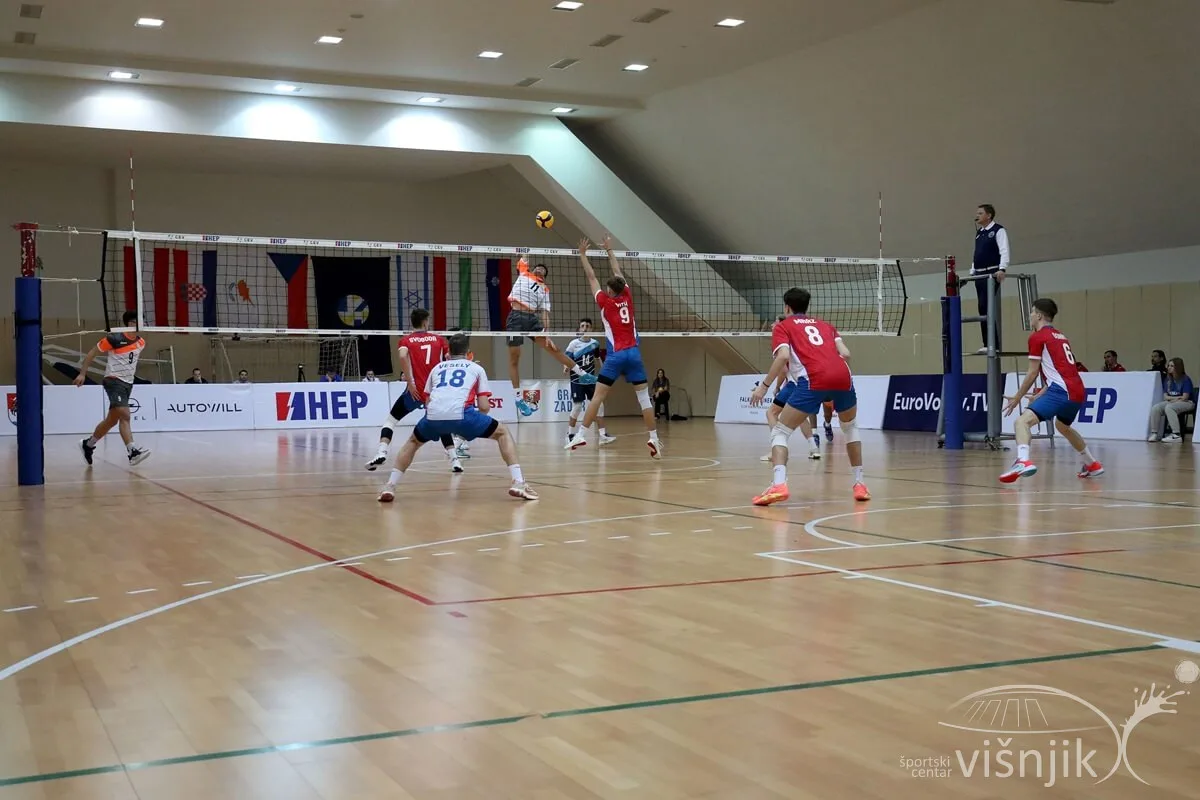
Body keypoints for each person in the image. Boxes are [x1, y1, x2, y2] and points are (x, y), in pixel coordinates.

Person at [377, 333, 537, 502]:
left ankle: (390, 485)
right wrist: (473, 425)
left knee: (413, 442)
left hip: (433, 416)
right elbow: (484, 407)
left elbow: (428, 401)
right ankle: (518, 482)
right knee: (502, 432)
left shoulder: (437, 368)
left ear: (448, 353)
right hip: (463, 414)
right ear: (469, 352)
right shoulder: (476, 369)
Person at [750, 288, 869, 504]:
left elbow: (783, 356)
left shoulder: (783, 326)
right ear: (807, 306)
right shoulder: (826, 326)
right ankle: (860, 484)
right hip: (843, 376)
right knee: (851, 428)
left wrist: (763, 387)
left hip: (813, 378)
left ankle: (779, 484)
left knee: (780, 432)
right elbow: (846, 354)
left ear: (787, 307)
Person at [565, 236, 663, 458]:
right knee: (644, 399)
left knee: (598, 397)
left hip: (616, 355)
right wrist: (610, 250)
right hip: (634, 354)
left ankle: (580, 435)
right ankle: (654, 439)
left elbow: (591, 277)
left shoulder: (605, 302)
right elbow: (617, 271)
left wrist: (582, 254)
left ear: (610, 291)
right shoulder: (627, 295)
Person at [1000, 298, 1103, 482]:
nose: (1030, 316)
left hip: (1061, 391)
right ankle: (1092, 464)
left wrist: (1017, 398)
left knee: (1022, 422)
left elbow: (1032, 372)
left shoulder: (1037, 337)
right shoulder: (1060, 336)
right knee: (1062, 426)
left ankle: (1022, 461)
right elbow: (1060, 372)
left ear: (1039, 316)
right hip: (1077, 390)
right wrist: (1040, 395)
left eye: (1032, 312)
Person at [366, 309, 462, 473]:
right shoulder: (438, 340)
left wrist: (410, 381)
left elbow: (403, 356)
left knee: (391, 421)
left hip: (414, 391)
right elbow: (450, 358)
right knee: (440, 424)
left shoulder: (406, 340)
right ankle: (455, 461)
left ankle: (381, 452)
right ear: (425, 322)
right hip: (433, 392)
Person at [506, 257, 596, 417]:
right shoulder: (524, 273)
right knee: (515, 358)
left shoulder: (544, 290)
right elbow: (523, 257)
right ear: (533, 270)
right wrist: (526, 253)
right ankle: (518, 399)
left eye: (543, 269)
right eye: (537, 267)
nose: (539, 269)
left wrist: (546, 333)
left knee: (554, 349)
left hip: (532, 319)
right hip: (515, 317)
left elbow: (545, 313)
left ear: (544, 276)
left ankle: (583, 374)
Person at [76, 311, 151, 466]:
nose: (142, 324)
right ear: (130, 323)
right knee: (125, 415)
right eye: (138, 321)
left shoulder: (142, 342)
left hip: (128, 383)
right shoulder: (114, 338)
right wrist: (82, 374)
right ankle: (132, 452)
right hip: (113, 380)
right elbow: (92, 353)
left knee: (111, 420)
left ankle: (88, 444)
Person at [760, 316, 820, 463]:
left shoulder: (782, 341)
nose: (772, 324)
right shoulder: (797, 338)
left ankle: (776, 448)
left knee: (771, 413)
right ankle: (814, 448)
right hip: (807, 382)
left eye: (775, 322)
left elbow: (783, 368)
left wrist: (776, 386)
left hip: (795, 384)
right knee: (800, 417)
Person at [564, 318, 616, 446]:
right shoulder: (573, 344)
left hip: (590, 380)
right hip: (577, 380)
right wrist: (565, 367)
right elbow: (566, 359)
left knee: (599, 406)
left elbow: (598, 358)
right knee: (577, 407)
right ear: (579, 329)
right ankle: (570, 434)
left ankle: (603, 435)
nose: (585, 328)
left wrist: (604, 370)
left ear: (591, 328)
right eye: (582, 326)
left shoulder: (595, 343)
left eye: (587, 326)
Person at [971, 204, 1010, 353]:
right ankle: (987, 342)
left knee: (987, 306)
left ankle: (994, 344)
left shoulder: (998, 230)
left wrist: (1002, 268)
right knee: (982, 307)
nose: (977, 215)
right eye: (977, 213)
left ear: (989, 215)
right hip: (979, 274)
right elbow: (977, 253)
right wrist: (973, 270)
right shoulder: (979, 233)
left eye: (980, 213)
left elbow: (1004, 250)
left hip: (991, 273)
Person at [1148, 357, 1195, 442]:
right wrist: (1176, 399)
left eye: (1172, 366)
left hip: (1187, 402)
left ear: (1178, 367)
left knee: (1169, 407)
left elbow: (1185, 397)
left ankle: (1176, 435)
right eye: (1168, 365)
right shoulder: (1168, 379)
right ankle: (1154, 433)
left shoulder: (1185, 379)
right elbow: (1165, 397)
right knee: (1156, 408)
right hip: (1172, 401)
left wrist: (1173, 400)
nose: (1169, 368)